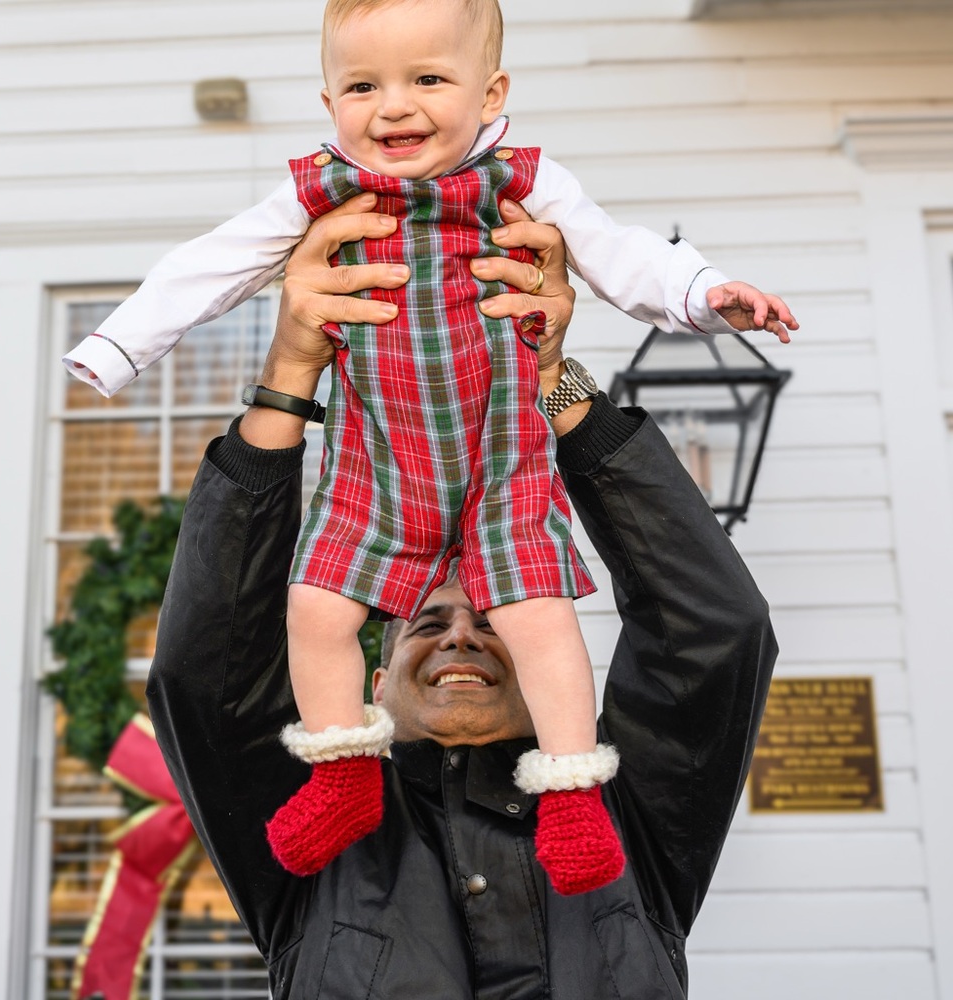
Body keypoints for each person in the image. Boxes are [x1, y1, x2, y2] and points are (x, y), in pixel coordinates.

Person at [71, 0, 797, 893]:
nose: (393, 106)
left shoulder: (520, 180)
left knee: (536, 616)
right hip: (374, 465)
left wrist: (702, 294)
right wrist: (120, 345)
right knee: (315, 610)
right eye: (361, 86)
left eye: (427, 78)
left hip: (503, 461)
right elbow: (210, 264)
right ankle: (342, 773)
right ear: (328, 101)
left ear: (490, 94)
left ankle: (573, 796)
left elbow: (619, 253)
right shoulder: (324, 187)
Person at [145, 200, 781, 998]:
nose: (461, 636)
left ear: (554, 671)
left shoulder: (631, 818)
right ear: (374, 685)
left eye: (493, 619)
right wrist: (290, 375)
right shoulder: (313, 834)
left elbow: (714, 633)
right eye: (427, 622)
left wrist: (550, 379)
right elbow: (207, 675)